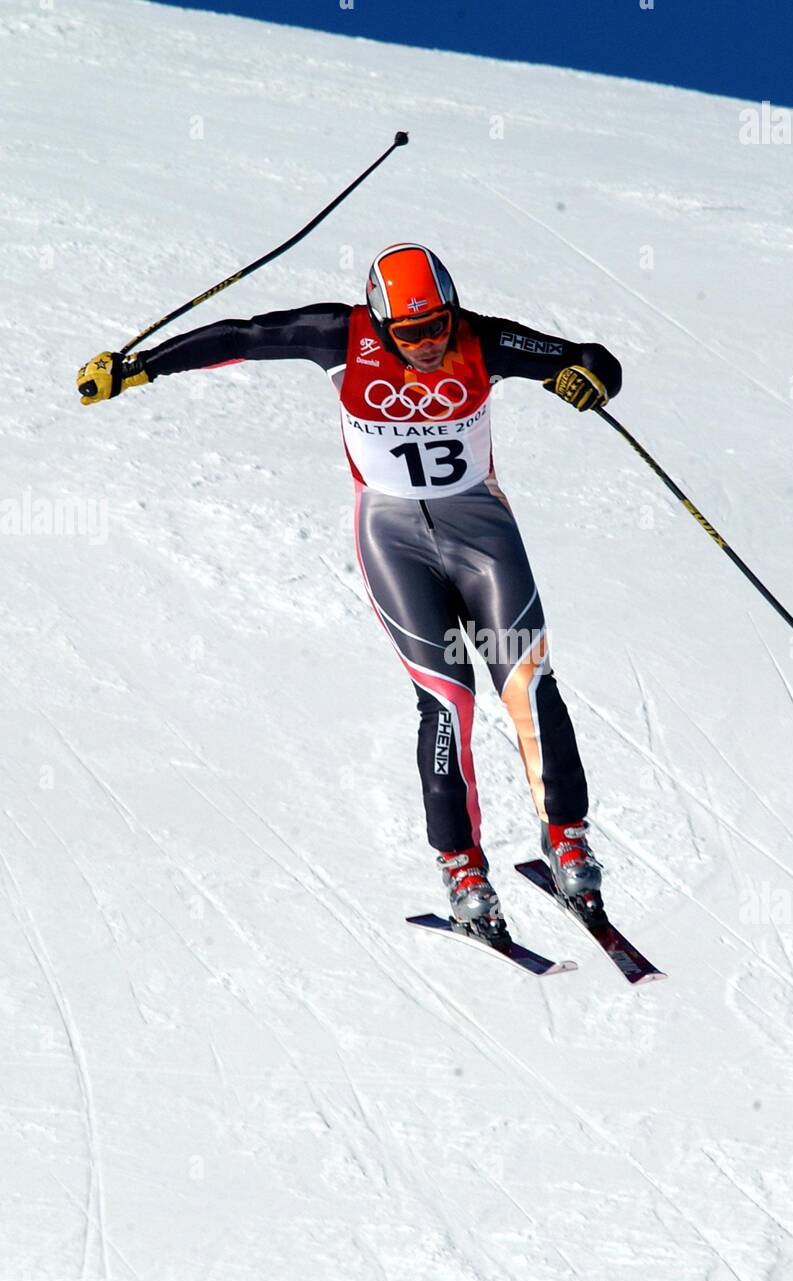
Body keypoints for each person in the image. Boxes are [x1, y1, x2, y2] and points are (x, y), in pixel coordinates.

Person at [77, 244, 623, 945]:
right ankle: (461, 866)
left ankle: (567, 838)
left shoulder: (482, 340)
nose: (428, 345)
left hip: (480, 530)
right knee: (447, 699)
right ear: (380, 322)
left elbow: (589, 358)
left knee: (526, 681)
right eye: (410, 333)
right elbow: (242, 337)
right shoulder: (339, 336)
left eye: (438, 327)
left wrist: (588, 378)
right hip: (393, 537)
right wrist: (135, 368)